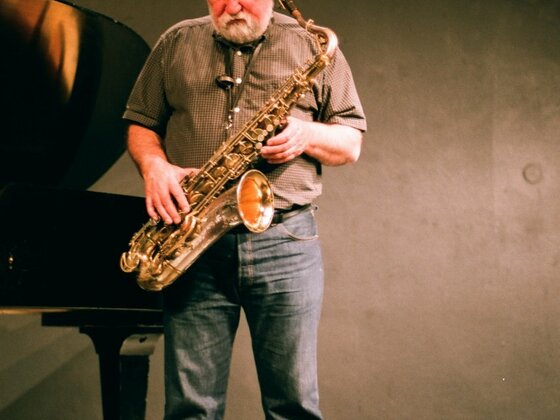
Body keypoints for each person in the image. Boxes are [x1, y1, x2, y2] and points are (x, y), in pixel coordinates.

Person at [123, 0, 367, 418]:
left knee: (293, 406)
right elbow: (141, 122)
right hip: (191, 240)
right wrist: (154, 166)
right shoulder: (176, 42)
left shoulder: (312, 46)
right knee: (189, 408)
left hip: (285, 241)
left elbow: (351, 143)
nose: (232, 5)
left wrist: (306, 133)